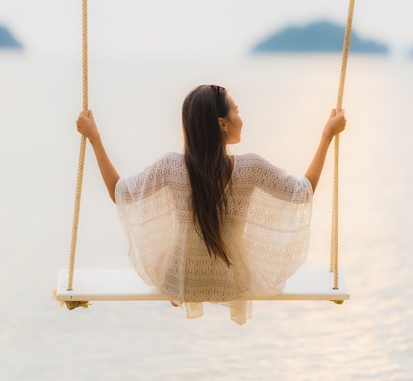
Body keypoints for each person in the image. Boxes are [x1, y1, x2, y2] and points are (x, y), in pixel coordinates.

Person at [77, 84, 346, 324]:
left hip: (181, 281)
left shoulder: (172, 166)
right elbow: (303, 191)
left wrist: (95, 139)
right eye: (236, 110)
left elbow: (120, 192)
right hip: (233, 282)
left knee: (172, 248)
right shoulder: (251, 167)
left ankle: (179, 292)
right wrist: (326, 136)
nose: (241, 117)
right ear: (222, 123)